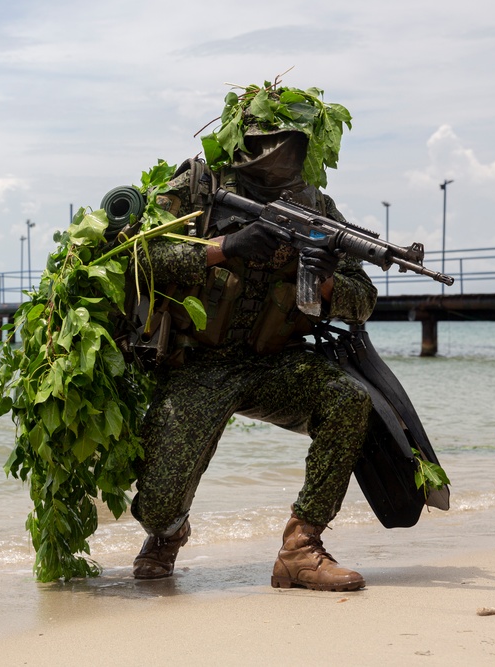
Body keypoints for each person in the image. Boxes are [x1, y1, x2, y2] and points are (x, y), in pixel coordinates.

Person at [127, 83, 376, 591]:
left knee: (348, 400)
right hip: (199, 363)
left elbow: (363, 300)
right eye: (274, 137)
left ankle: (301, 548)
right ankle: (167, 532)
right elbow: (136, 261)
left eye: (296, 141)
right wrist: (225, 246)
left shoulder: (317, 208)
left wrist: (324, 277)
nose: (284, 151)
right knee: (154, 502)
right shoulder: (196, 185)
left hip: (273, 363)